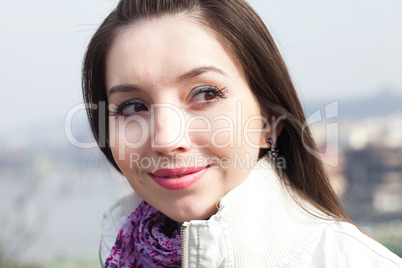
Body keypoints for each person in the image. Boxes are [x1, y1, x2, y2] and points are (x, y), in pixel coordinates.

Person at [82, 0, 402, 267]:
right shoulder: (123, 248)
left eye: (206, 94)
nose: (166, 139)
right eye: (132, 106)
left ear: (269, 123)